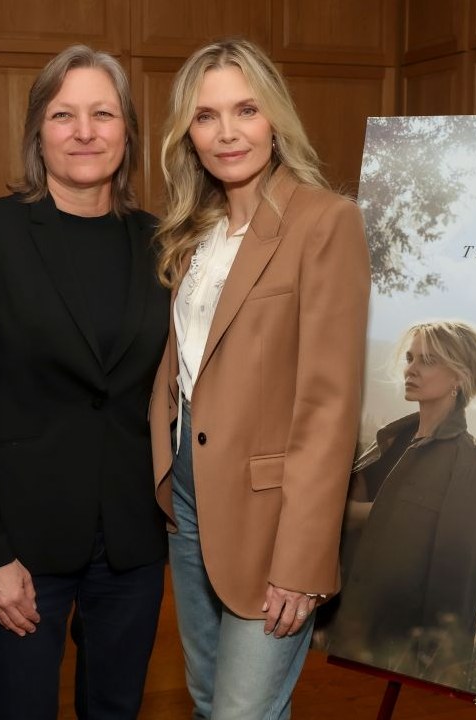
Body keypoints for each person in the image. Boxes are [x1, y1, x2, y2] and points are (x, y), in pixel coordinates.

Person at [0, 45, 169, 720]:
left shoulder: (162, 241)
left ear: (128, 130)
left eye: (103, 114)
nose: (85, 131)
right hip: (21, 547)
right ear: (38, 130)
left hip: (131, 541)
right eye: (64, 115)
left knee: (116, 708)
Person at [148, 37, 371, 720]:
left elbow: (329, 406)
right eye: (206, 115)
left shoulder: (325, 222)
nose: (227, 132)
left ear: (275, 116)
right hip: (188, 496)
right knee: (207, 698)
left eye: (245, 110)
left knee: (243, 711)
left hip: (272, 514)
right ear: (188, 133)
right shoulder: (193, 232)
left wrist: (303, 559)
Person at [325, 319, 476, 687]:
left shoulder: (467, 467)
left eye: (428, 361)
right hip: (334, 632)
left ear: (459, 377)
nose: (411, 369)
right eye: (410, 358)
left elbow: (456, 591)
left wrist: (434, 677)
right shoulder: (391, 439)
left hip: (390, 657)